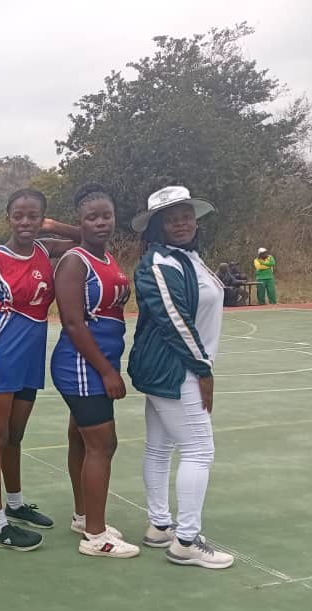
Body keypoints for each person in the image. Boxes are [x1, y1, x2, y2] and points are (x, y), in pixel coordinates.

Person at [0, 189, 80, 551]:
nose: (26, 222)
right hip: (0, 353)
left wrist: (54, 225)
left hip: (31, 356)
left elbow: (84, 236)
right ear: (8, 217)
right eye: (19, 215)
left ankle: (15, 505)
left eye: (34, 216)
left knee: (15, 436)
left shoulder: (46, 251)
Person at [128, 185, 234, 569]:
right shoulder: (160, 265)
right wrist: (203, 371)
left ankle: (160, 526)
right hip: (175, 369)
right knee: (199, 449)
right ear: (156, 226)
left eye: (186, 214)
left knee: (160, 448)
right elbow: (175, 322)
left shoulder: (187, 259)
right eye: (171, 218)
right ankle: (186, 540)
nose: (181, 222)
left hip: (174, 367)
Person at [51, 184, 138, 558]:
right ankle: (97, 536)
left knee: (81, 441)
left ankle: (84, 515)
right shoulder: (76, 261)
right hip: (83, 364)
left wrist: (75, 227)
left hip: (99, 359)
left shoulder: (105, 257)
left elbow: (91, 236)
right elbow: (72, 321)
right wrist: (106, 372)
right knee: (103, 444)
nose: (101, 222)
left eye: (107, 215)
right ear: (80, 222)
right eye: (92, 218)